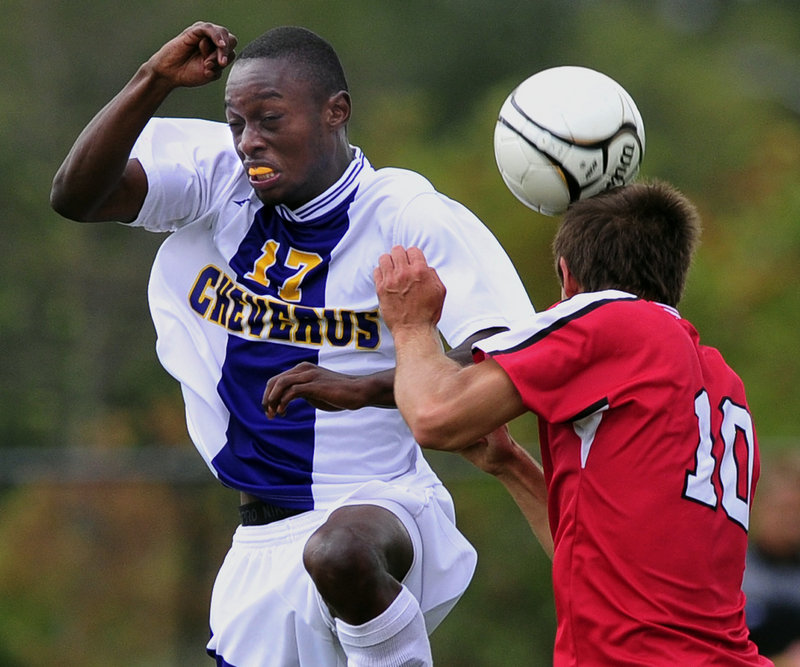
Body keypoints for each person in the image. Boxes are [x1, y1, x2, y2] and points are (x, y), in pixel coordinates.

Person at [50, 21, 536, 667]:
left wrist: (364, 387)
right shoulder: (223, 180)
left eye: (271, 120)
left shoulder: (407, 216)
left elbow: (513, 366)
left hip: (379, 501)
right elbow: (78, 197)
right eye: (237, 123)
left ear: (336, 112)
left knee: (340, 553)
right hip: (261, 542)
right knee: (319, 557)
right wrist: (155, 79)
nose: (251, 142)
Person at [374, 180, 773, 665]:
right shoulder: (719, 378)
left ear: (568, 280)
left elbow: (434, 415)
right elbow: (600, 560)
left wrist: (411, 326)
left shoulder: (615, 322)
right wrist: (512, 467)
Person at [742, 452, 800, 665]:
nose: (791, 521)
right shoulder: (735, 577)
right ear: (759, 507)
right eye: (785, 510)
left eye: (797, 511)